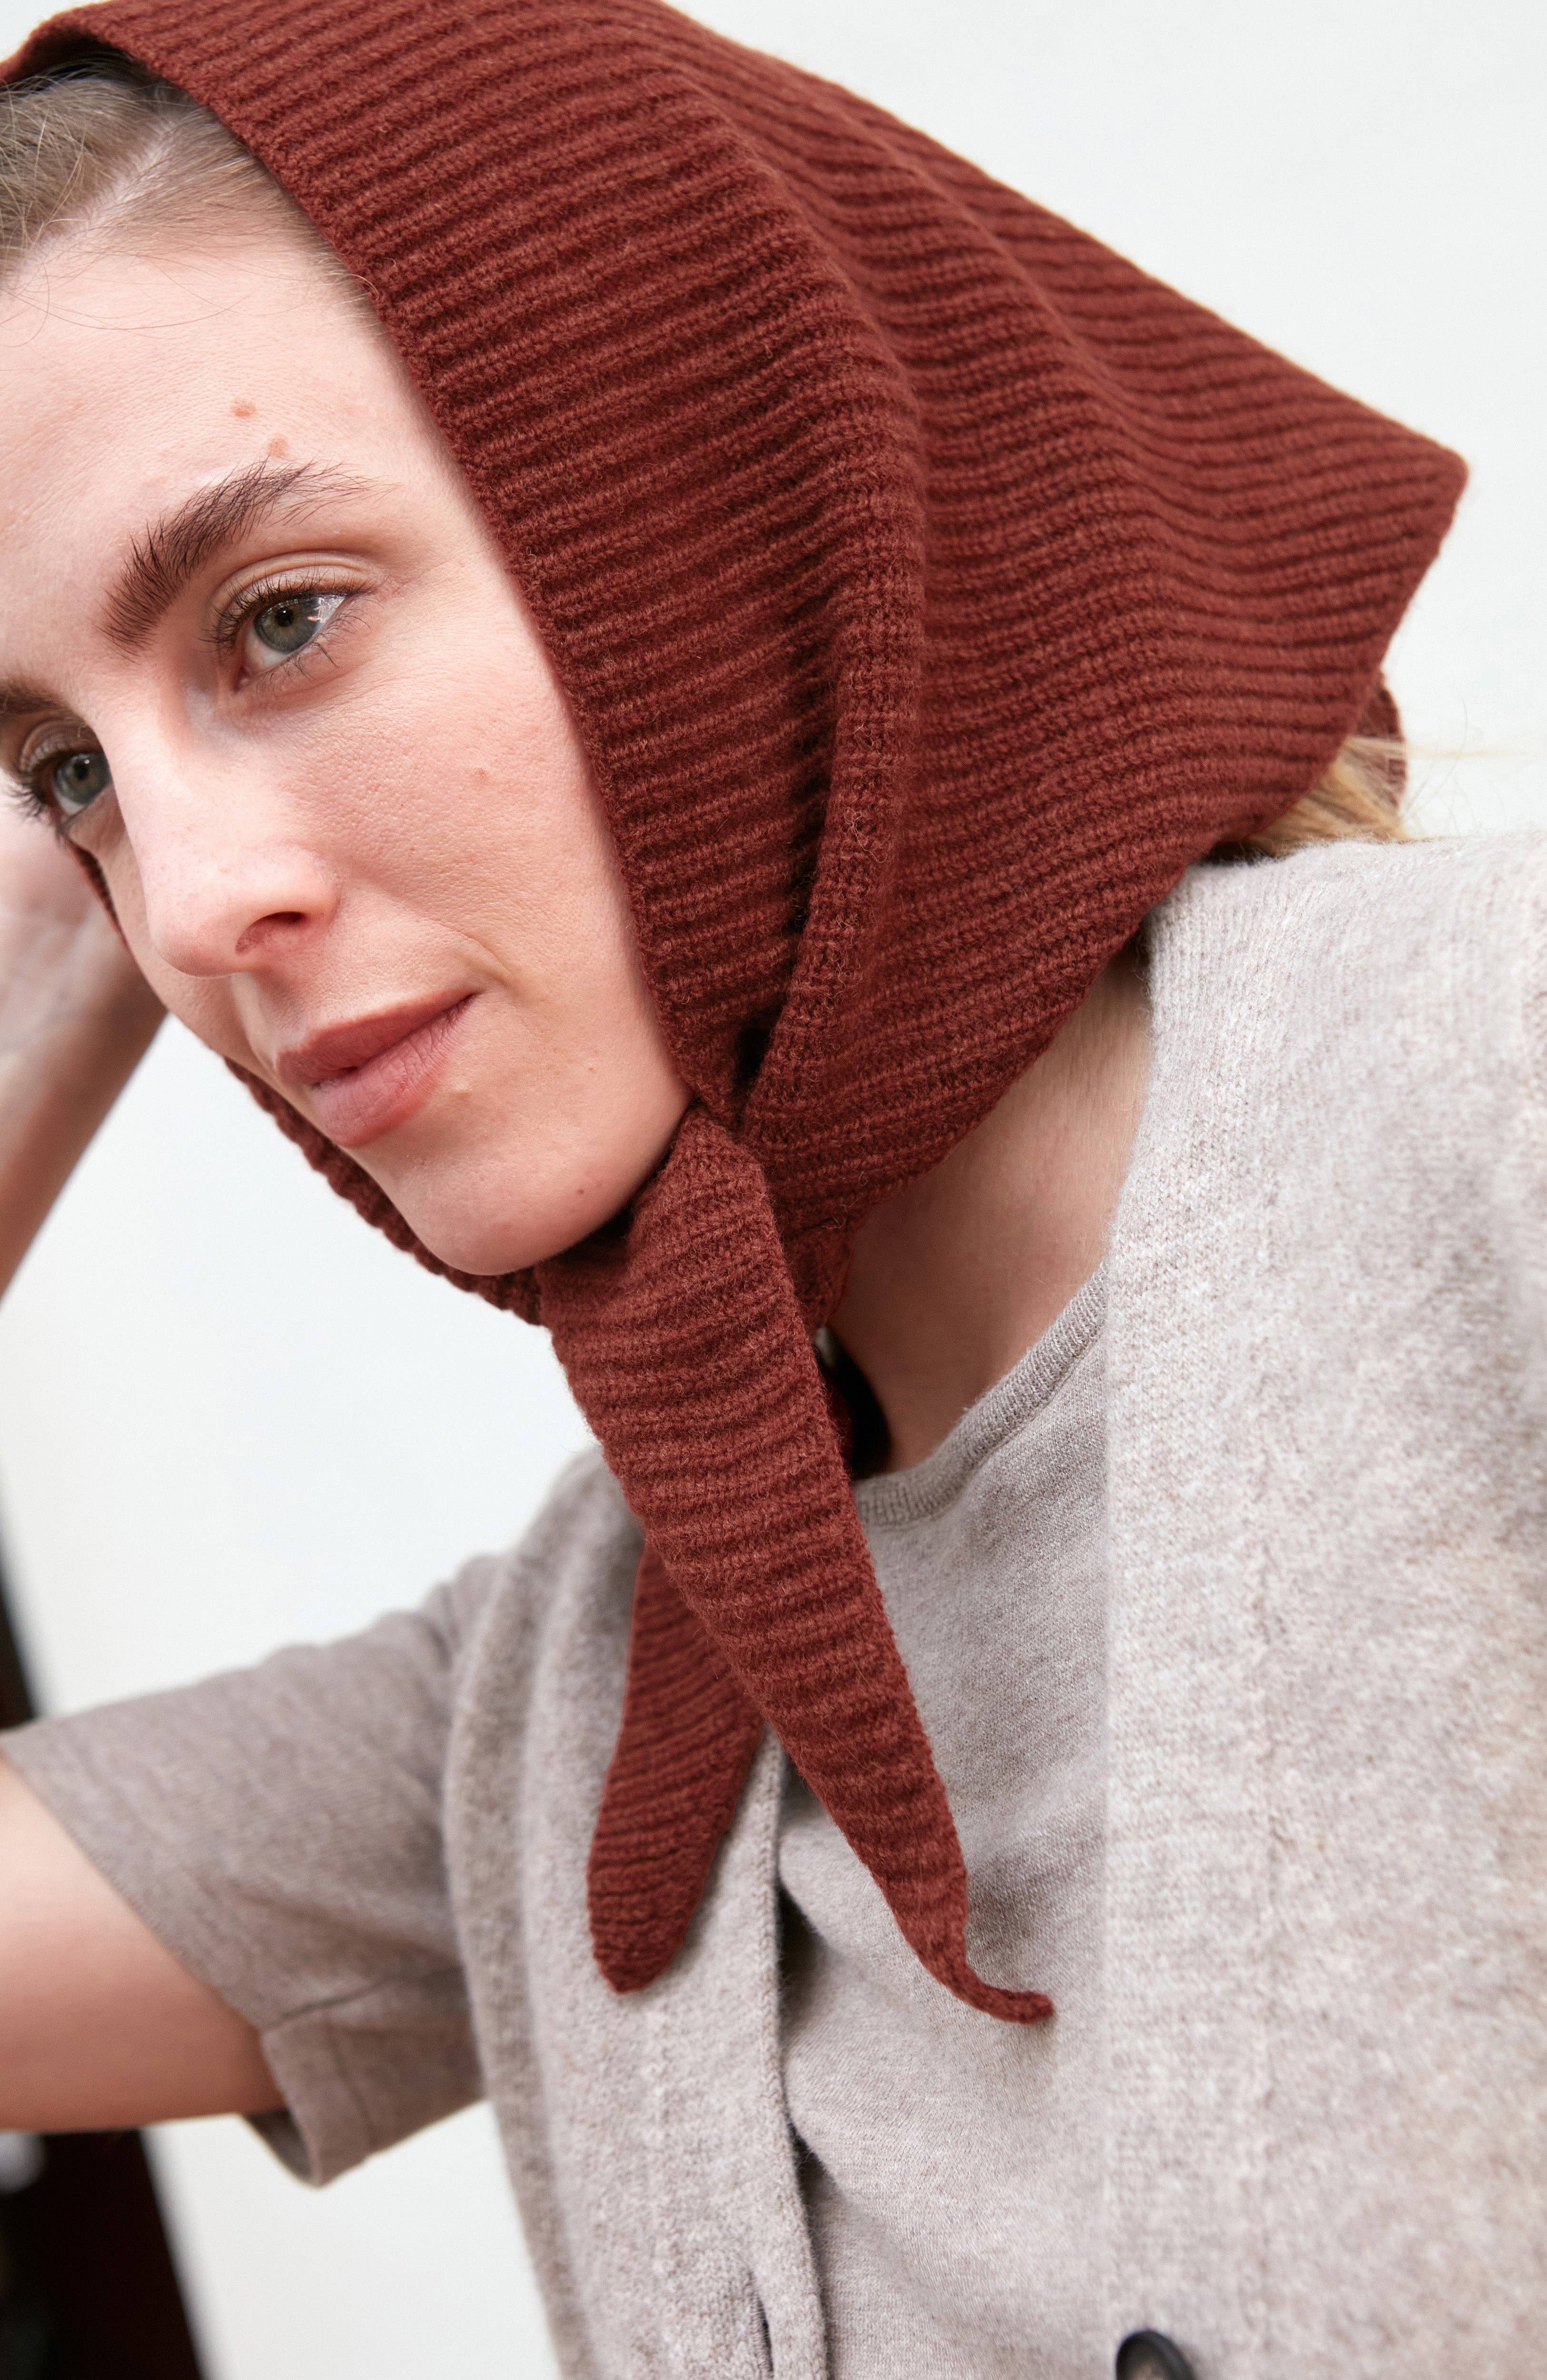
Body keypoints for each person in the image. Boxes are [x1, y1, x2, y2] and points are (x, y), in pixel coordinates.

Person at [0, 7, 1540, 2376]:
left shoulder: (1486, 1110)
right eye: (69, 770)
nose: (190, 909)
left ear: (707, 504)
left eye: (282, 618)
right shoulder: (593, 1686)